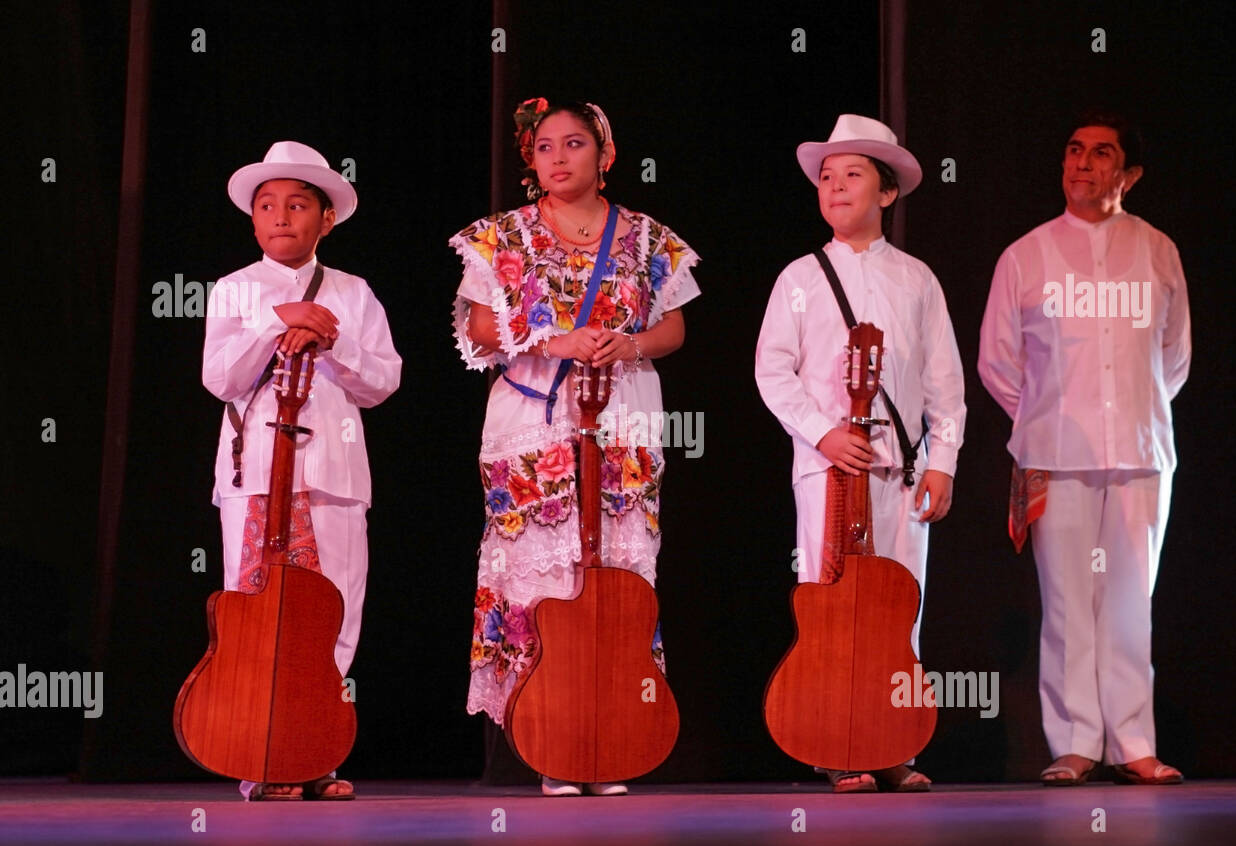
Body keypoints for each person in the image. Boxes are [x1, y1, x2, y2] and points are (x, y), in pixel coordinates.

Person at [449, 98, 700, 796]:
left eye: (576, 144)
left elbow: (673, 328)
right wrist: (551, 340)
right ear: (531, 161)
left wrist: (633, 341)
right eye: (546, 147)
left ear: (606, 154)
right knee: (540, 578)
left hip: (623, 414)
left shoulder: (648, 239)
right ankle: (551, 742)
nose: (559, 158)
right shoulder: (501, 238)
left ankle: (612, 738)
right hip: (534, 419)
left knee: (619, 572)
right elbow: (478, 327)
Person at [977, 110, 1191, 786]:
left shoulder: (1158, 250)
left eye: (1101, 154)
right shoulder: (1026, 254)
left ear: (1129, 174)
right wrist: (1047, 417)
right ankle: (1073, 743)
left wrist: (1131, 405)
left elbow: (1174, 354)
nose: (1082, 163)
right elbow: (998, 362)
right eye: (1074, 150)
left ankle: (1133, 742)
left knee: (1132, 600)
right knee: (1067, 601)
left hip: (1139, 447)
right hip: (1053, 454)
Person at [755, 115, 966, 793]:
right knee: (830, 605)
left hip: (900, 469)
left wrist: (942, 461)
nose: (836, 187)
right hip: (829, 466)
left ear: (886, 192)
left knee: (899, 605)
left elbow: (945, 381)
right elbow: (772, 371)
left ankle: (893, 740)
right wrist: (821, 430)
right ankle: (836, 744)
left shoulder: (918, 279)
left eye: (853, 176)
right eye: (827, 177)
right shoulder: (800, 276)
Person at [202, 141, 402, 800]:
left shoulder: (353, 292)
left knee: (334, 614)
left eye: (297, 204)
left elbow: (382, 382)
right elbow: (219, 377)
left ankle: (315, 754)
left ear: (326, 219)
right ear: (253, 222)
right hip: (257, 472)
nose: (281, 216)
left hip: (336, 474)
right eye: (268, 206)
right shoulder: (235, 290)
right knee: (257, 613)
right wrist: (276, 323)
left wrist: (334, 339)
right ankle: (261, 759)